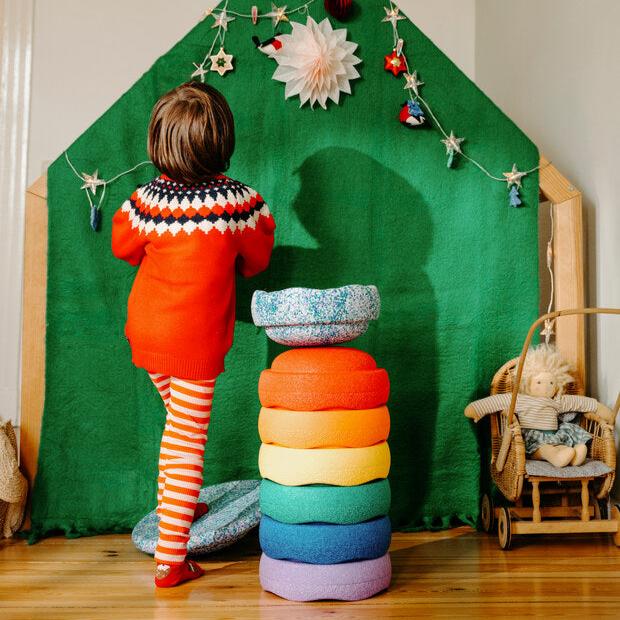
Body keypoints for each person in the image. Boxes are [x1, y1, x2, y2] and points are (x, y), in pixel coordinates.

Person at [111, 82, 275, 587]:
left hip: (147, 332)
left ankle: (178, 503)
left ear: (159, 141)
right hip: (194, 344)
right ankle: (171, 559)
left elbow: (122, 245)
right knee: (185, 441)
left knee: (174, 426)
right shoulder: (239, 202)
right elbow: (258, 259)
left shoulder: (146, 200)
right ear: (223, 140)